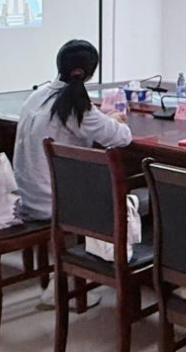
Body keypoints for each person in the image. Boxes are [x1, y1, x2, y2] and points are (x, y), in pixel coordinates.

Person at [13, 39, 132, 223]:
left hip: (28, 200)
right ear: (88, 73)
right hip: (56, 205)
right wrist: (115, 120)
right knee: (134, 192)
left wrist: (104, 119)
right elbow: (123, 138)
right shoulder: (76, 108)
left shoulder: (36, 97)